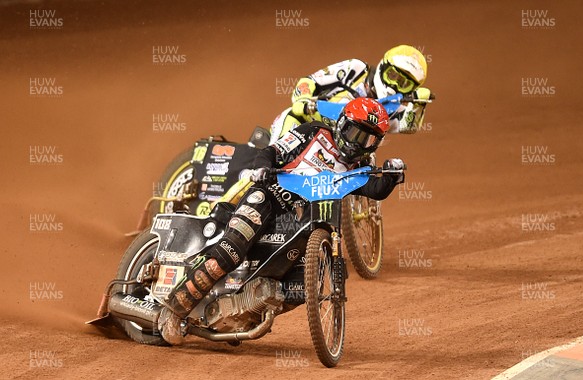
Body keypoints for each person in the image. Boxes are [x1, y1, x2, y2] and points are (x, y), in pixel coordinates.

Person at [158, 98, 406, 345]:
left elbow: (374, 189)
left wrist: (392, 176)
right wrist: (264, 167)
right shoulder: (314, 132)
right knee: (230, 252)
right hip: (270, 197)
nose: (357, 142)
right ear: (342, 123)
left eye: (368, 139)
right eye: (354, 132)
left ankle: (245, 312)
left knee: (305, 288)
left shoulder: (361, 165)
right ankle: (174, 309)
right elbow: (272, 151)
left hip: (301, 221)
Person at [270, 44, 432, 144]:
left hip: (349, 149)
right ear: (383, 66)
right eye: (393, 75)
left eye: (404, 84)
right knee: (279, 157)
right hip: (308, 124)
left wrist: (418, 105)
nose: (395, 84)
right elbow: (311, 81)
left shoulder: (392, 107)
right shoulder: (355, 69)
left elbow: (407, 126)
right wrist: (302, 99)